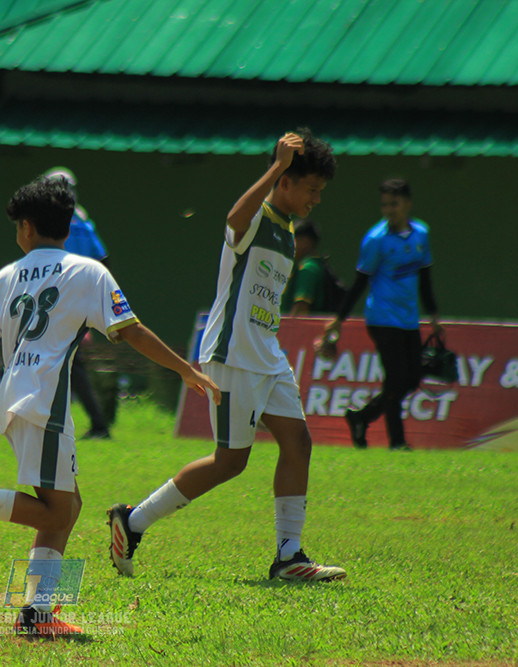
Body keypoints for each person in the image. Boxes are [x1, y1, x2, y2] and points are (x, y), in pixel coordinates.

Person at [0, 175, 218, 637]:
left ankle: (36, 613)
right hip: (43, 399)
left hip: (21, 395)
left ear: (26, 227)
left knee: (68, 504)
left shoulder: (6, 276)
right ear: (67, 227)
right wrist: (183, 368)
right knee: (56, 511)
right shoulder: (87, 271)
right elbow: (130, 330)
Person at [108, 129, 347, 583]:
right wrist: (276, 164)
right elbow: (233, 218)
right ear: (287, 182)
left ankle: (289, 556)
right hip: (233, 354)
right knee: (230, 462)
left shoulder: (288, 231)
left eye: (320, 190)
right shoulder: (255, 219)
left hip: (268, 355)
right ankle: (132, 521)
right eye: (312, 189)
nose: (317, 198)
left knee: (298, 442)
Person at [322, 178, 443, 451]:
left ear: (407, 204)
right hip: (382, 318)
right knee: (398, 379)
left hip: (409, 319)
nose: (389, 209)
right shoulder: (375, 240)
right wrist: (339, 319)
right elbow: (360, 282)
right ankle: (397, 441)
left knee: (411, 379)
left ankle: (361, 417)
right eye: (384, 204)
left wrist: (433, 315)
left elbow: (425, 279)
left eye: (394, 203)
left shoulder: (421, 234)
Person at [45, 166, 111, 439]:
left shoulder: (53, 219)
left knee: (60, 361)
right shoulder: (83, 220)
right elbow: (103, 260)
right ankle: (94, 424)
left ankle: (96, 424)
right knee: (67, 362)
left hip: (57, 301)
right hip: (80, 300)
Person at [282, 219, 335, 315]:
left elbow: (300, 310)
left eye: (292, 240)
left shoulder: (308, 268)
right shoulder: (317, 265)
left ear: (306, 242)